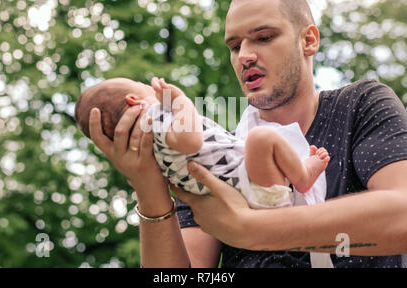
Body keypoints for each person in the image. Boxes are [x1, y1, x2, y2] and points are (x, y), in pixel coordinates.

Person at [86, 0, 407, 268]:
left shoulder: (360, 104)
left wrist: (252, 228)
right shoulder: (211, 159)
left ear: (309, 41)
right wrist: (148, 188)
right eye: (234, 46)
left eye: (263, 37)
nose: (244, 54)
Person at [75, 76, 330, 209]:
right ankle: (303, 175)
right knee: (261, 137)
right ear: (133, 100)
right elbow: (190, 141)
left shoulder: (148, 152)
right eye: (142, 86)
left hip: (243, 197)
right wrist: (181, 100)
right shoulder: (155, 118)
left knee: (258, 140)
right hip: (253, 187)